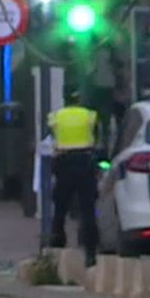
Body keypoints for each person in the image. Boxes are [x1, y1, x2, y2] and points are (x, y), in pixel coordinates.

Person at [46, 87, 102, 266]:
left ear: (65, 99)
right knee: (88, 209)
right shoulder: (89, 115)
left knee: (60, 207)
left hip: (63, 162)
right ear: (79, 99)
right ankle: (90, 253)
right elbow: (97, 139)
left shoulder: (55, 117)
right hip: (85, 162)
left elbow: (51, 138)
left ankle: (56, 247)